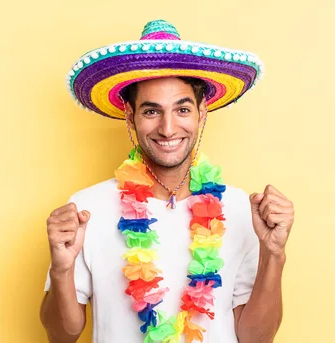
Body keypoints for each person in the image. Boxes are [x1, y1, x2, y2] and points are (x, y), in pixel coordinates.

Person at [39, 20, 295, 343]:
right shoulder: (86, 210)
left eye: (182, 108)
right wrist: (61, 269)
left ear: (202, 111)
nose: (169, 128)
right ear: (129, 115)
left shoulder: (242, 210)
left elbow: (257, 338)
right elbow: (61, 336)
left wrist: (274, 254)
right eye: (151, 111)